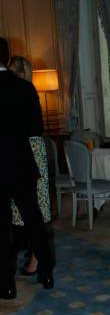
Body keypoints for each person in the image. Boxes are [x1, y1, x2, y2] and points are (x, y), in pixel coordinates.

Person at [0, 37, 54, 299]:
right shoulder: (24, 87)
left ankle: (6, 285)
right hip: (21, 163)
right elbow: (36, 129)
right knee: (33, 221)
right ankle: (46, 272)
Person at [8, 55, 52, 277]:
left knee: (33, 211)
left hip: (30, 152)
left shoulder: (25, 90)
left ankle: (37, 258)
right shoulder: (25, 90)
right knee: (28, 212)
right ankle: (35, 256)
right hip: (28, 151)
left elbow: (34, 126)